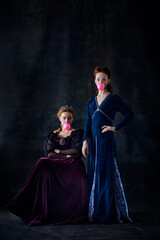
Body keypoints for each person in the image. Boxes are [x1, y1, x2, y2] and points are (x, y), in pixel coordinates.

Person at [5, 105, 87, 226]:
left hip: (72, 164)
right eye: (64, 118)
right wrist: (66, 155)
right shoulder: (52, 135)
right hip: (59, 163)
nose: (67, 121)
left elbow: (76, 152)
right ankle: (25, 203)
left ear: (72, 119)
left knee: (72, 161)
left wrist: (59, 151)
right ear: (60, 118)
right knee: (43, 162)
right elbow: (50, 154)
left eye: (69, 118)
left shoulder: (77, 133)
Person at [82, 66, 135, 224]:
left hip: (106, 143)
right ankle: (94, 210)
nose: (101, 81)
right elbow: (88, 122)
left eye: (104, 79)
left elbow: (129, 114)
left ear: (108, 81)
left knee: (105, 176)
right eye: (98, 79)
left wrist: (115, 127)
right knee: (94, 175)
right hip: (93, 143)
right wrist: (85, 141)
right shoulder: (91, 101)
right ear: (95, 81)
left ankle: (107, 211)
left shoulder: (113, 99)